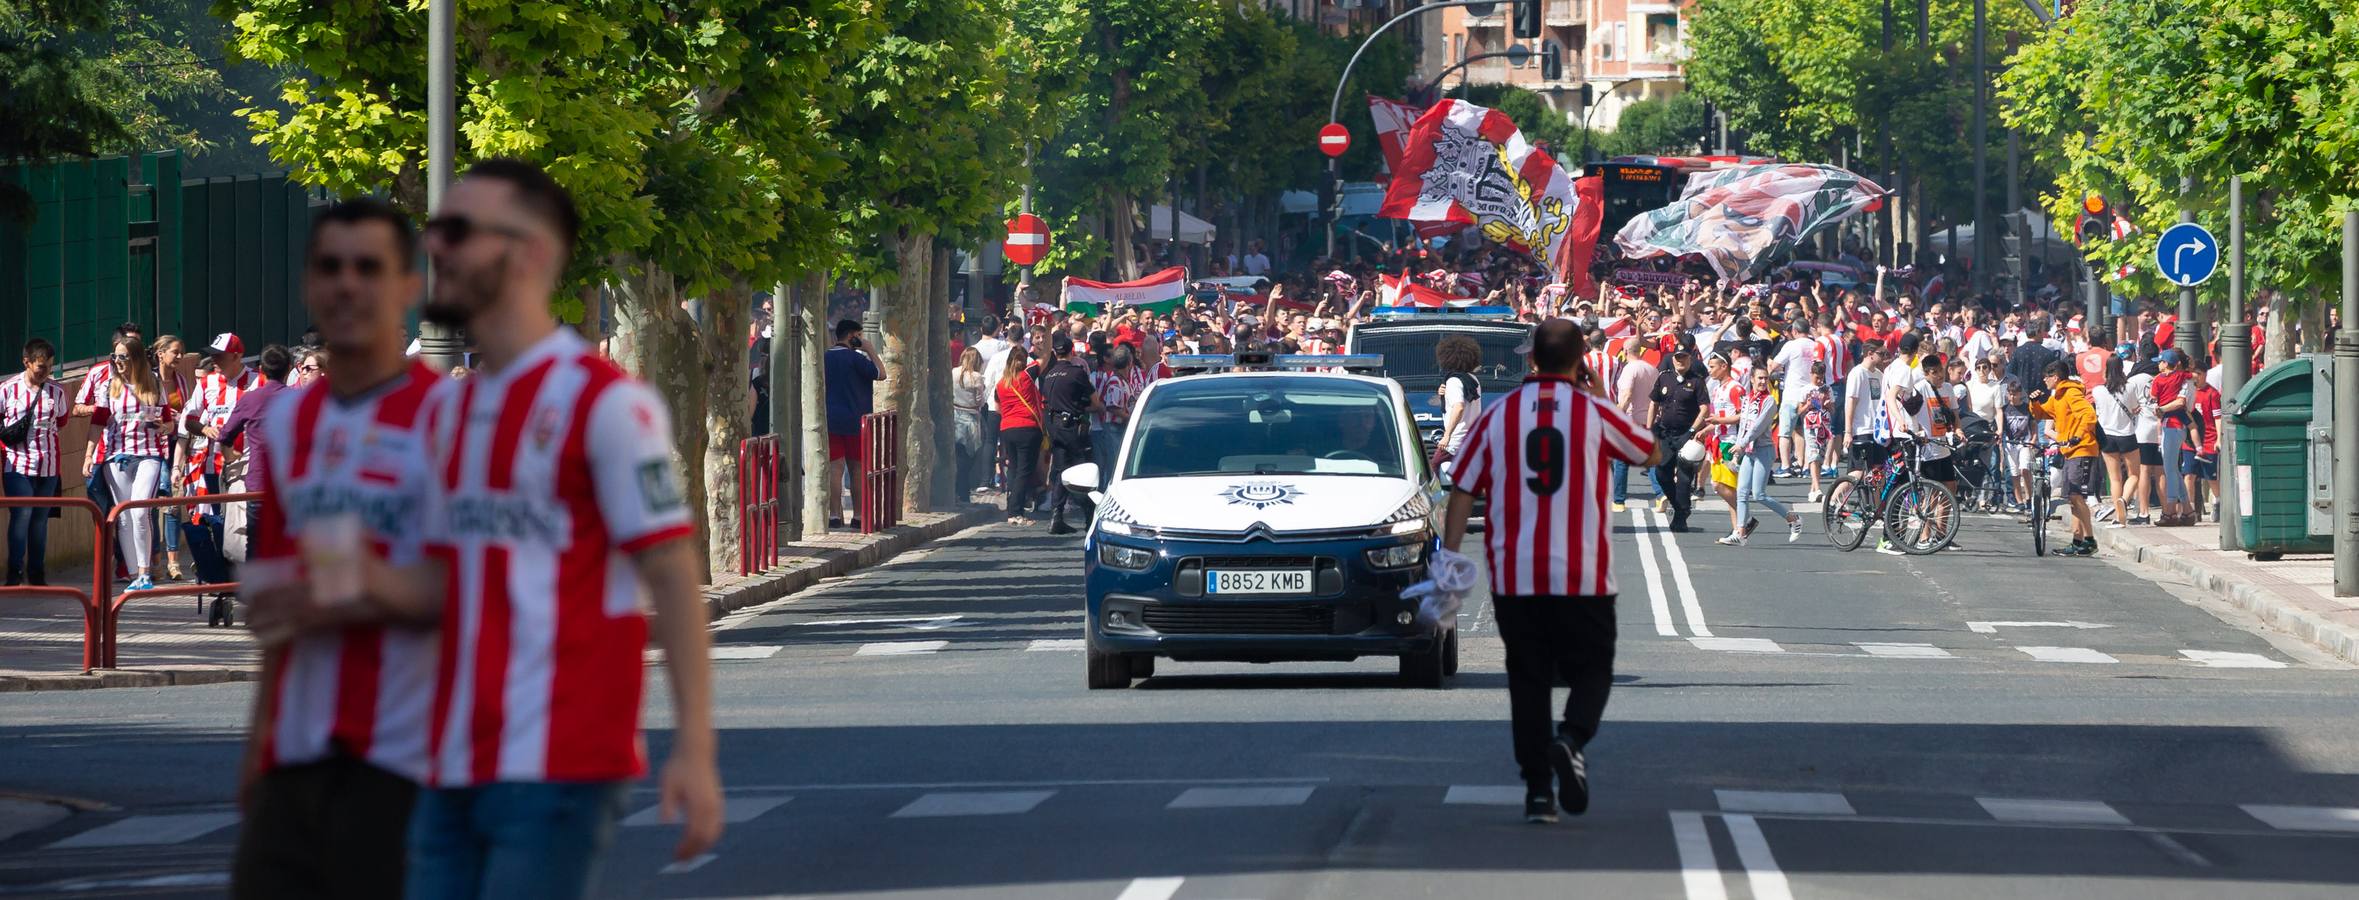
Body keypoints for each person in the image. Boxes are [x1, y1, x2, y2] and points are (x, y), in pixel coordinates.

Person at [405, 158, 723, 897]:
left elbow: (673, 578)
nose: (435, 249)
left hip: (558, 759)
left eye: (458, 230)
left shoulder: (608, 405)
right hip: (443, 759)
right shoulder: (445, 413)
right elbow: (433, 584)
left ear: (532, 253)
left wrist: (695, 750)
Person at [230, 200, 443, 900]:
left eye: (368, 268)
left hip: (407, 760)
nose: (347, 285)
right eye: (329, 268)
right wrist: (258, 749)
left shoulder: (452, 420)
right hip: (293, 762)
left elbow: (479, 590)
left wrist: (362, 580)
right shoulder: (291, 423)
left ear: (408, 287)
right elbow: (283, 608)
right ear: (308, 286)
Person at [1439, 318, 1661, 825]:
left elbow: (1463, 488)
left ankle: (1539, 791)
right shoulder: (1591, 412)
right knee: (1594, 668)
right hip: (1583, 571)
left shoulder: (1501, 415)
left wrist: (1450, 560)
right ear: (1580, 360)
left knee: (1528, 678)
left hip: (1516, 572)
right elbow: (1650, 451)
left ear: (1533, 360)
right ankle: (1573, 737)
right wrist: (1599, 389)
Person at [88, 335, 177, 590]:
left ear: (136, 358)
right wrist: (88, 455)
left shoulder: (154, 384)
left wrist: (163, 427)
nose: (118, 362)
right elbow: (97, 423)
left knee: (140, 512)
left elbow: (169, 423)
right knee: (124, 517)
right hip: (116, 457)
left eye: (123, 357)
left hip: (148, 454)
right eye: (114, 356)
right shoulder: (109, 387)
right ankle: (136, 575)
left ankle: (146, 571)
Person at [1, 339, 66, 586]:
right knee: (22, 515)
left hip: (48, 466)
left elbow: (61, 421)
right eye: (41, 367)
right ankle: (14, 572)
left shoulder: (56, 391)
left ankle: (37, 573)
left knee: (40, 520)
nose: (46, 372)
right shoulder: (7, 390)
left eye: (49, 366)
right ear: (26, 362)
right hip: (16, 465)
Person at [1721, 367, 1803, 545]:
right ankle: (1740, 533)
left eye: (1765, 378)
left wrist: (1741, 444)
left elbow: (1757, 427)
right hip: (1750, 451)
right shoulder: (1748, 399)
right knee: (1742, 492)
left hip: (1764, 451)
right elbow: (1743, 425)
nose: (1762, 382)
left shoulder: (1769, 401)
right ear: (1751, 379)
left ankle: (1792, 518)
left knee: (1759, 494)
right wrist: (1738, 452)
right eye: (1759, 378)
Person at [2031, 360, 2101, 556]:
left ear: (2055, 377)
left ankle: (2089, 540)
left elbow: (2088, 415)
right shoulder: (2058, 396)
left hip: (2083, 448)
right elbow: (2042, 413)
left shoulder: (2070, 392)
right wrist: (2033, 401)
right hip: (2071, 451)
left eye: (2046, 377)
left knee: (2077, 496)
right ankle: (2078, 541)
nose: (2044, 380)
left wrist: (2076, 436)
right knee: (2072, 497)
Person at [823, 319, 883, 530]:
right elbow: (881, 374)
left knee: (834, 468)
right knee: (857, 468)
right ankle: (858, 516)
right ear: (852, 337)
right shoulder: (856, 359)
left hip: (830, 419)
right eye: (860, 335)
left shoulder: (825, 357)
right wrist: (871, 350)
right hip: (856, 421)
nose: (862, 339)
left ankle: (833, 515)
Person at [1038, 332, 1100, 535]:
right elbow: (1096, 403)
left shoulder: (1048, 376)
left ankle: (1057, 516)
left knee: (1061, 471)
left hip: (1054, 427)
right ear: (1072, 351)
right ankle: (1090, 514)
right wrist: (1083, 407)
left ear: (1055, 353)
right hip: (1072, 427)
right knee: (1082, 473)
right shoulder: (1077, 373)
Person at [1648, 349, 1705, 531]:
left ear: (1690, 359)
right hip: (1665, 433)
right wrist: (1650, 429)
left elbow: (1704, 409)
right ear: (1673, 360)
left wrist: (1692, 429)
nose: (1681, 361)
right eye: (1678, 358)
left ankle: (1680, 517)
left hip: (1685, 434)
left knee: (1683, 478)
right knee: (1661, 473)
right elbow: (1654, 403)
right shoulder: (1664, 377)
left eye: (1684, 358)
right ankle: (1679, 505)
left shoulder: (1696, 381)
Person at [2089, 357, 2145, 527]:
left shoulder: (2098, 390)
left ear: (2106, 370)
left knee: (2115, 478)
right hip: (2127, 435)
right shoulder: (2130, 387)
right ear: (2122, 369)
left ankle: (2118, 518)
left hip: (2106, 437)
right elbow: (2135, 407)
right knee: (2134, 474)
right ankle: (2123, 499)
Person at [995, 345, 1046, 525]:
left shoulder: (1001, 384)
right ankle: (1015, 512)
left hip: (1007, 428)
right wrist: (1047, 330)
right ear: (1024, 362)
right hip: (1027, 427)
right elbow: (1046, 355)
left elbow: (998, 408)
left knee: (1015, 469)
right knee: (1024, 471)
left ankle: (1012, 508)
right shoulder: (1027, 375)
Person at [1612, 337, 1659, 512]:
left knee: (1621, 461)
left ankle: (1618, 500)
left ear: (1625, 352)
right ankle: (1661, 494)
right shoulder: (1652, 370)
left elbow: (1627, 395)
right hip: (1648, 419)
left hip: (1631, 420)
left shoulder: (1628, 370)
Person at [1432, 335, 1483, 477]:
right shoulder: (1472, 380)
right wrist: (1444, 392)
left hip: (1455, 441)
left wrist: (1447, 435)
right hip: (1471, 439)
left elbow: (1459, 407)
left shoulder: (1454, 381)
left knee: (1432, 470)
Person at [952, 346, 988, 496]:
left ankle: (959, 488)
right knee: (969, 456)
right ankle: (964, 489)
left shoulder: (953, 372)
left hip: (954, 414)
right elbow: (980, 401)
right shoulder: (976, 377)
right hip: (971, 417)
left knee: (958, 454)